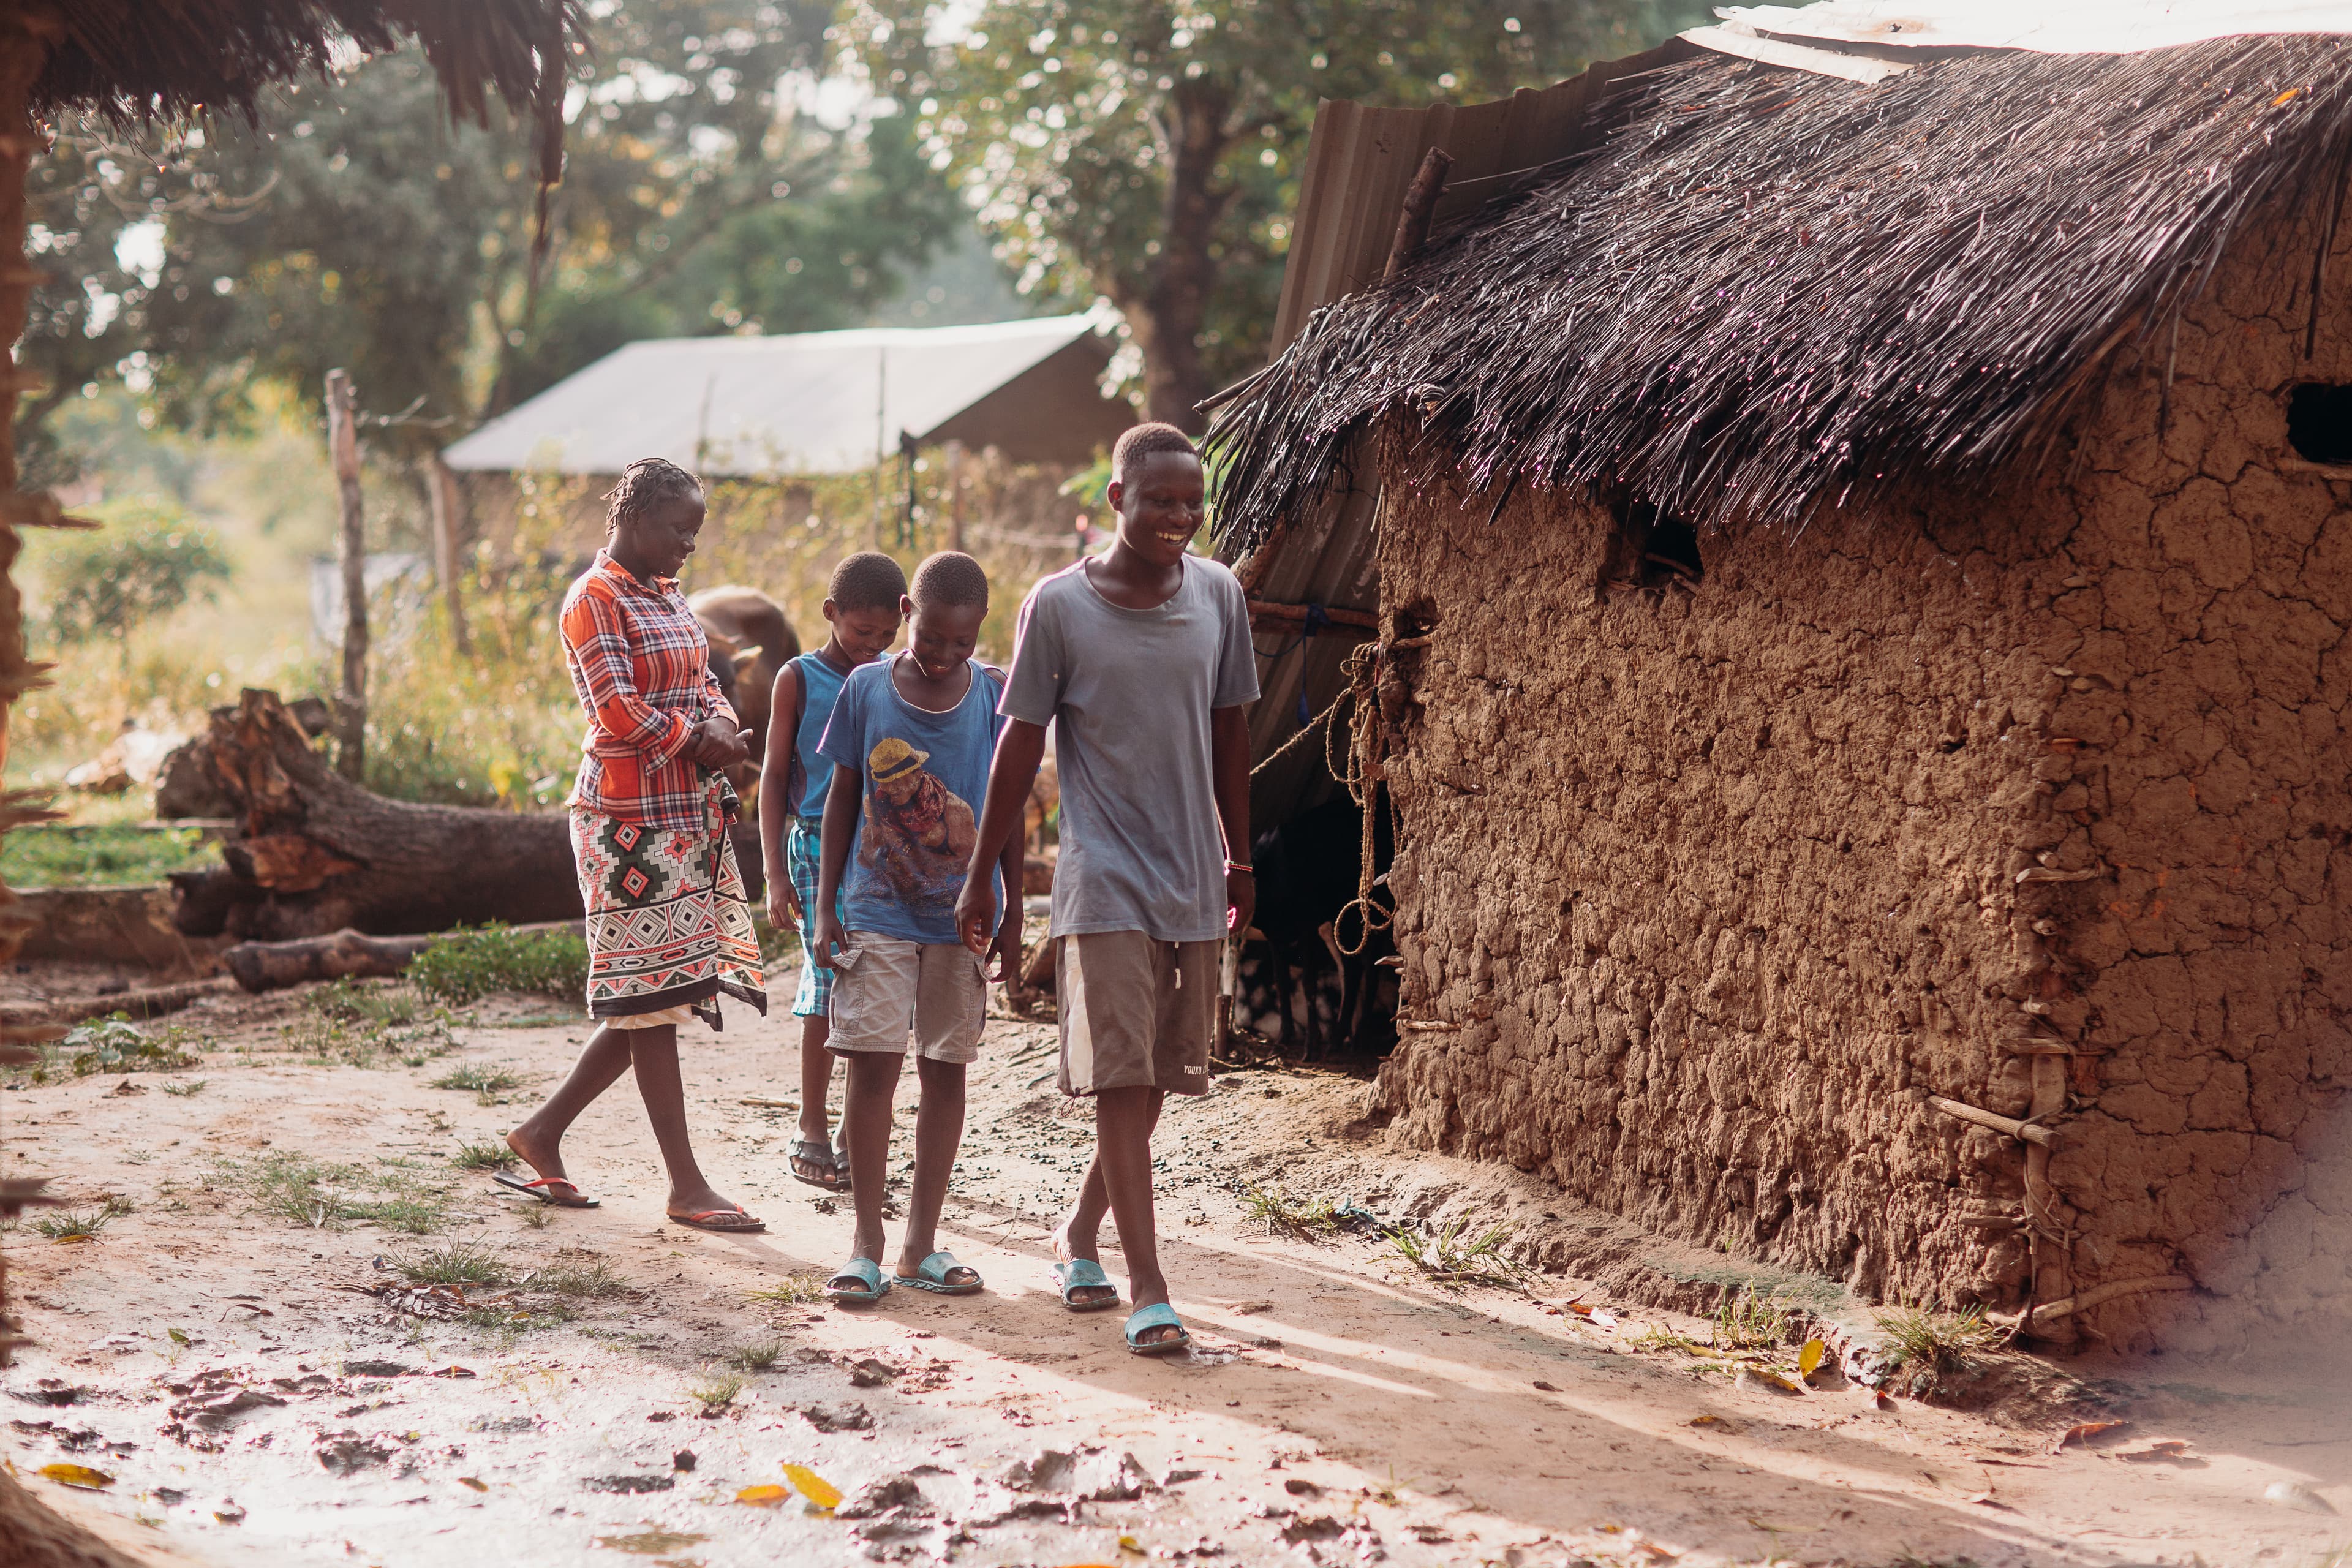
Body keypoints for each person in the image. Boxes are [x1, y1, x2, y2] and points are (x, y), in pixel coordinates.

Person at [954, 424, 1257, 1354]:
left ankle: (1080, 1234)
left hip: (1191, 877)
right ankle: (1150, 1287)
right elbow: (1016, 750)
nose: (1178, 516)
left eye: (1190, 502)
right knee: (1121, 1077)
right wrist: (983, 880)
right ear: (1117, 500)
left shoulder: (1219, 595)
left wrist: (1239, 858)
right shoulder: (1060, 607)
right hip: (1106, 878)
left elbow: (1232, 735)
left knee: (1157, 1079)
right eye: (1158, 499)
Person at [505, 458, 768, 1233]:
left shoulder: (665, 594)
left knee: (657, 992)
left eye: (696, 530)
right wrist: (699, 738)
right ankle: (687, 1186)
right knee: (653, 1001)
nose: (689, 543)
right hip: (625, 826)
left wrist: (719, 721)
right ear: (635, 519)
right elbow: (614, 711)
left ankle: (543, 1132)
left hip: (679, 816)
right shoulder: (592, 600)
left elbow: (700, 675)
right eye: (679, 528)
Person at [810, 551, 1024, 1304]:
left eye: (960, 645)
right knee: (872, 1068)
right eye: (931, 638)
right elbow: (842, 797)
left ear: (980, 633)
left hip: (960, 920)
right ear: (908, 614)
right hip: (874, 912)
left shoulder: (993, 696)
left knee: (946, 1072)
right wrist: (824, 905)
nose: (942, 656)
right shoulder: (867, 687)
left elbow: (1008, 813)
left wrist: (1014, 911)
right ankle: (865, 1244)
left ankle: (919, 1245)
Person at [758, 552, 907, 1191]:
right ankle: (812, 1122)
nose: (872, 647)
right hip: (820, 844)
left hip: (884, 849)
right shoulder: (799, 678)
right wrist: (775, 874)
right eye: (859, 633)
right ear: (830, 615)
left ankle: (856, 1127)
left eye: (885, 636)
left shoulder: (895, 677)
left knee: (877, 984)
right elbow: (771, 778)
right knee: (826, 982)